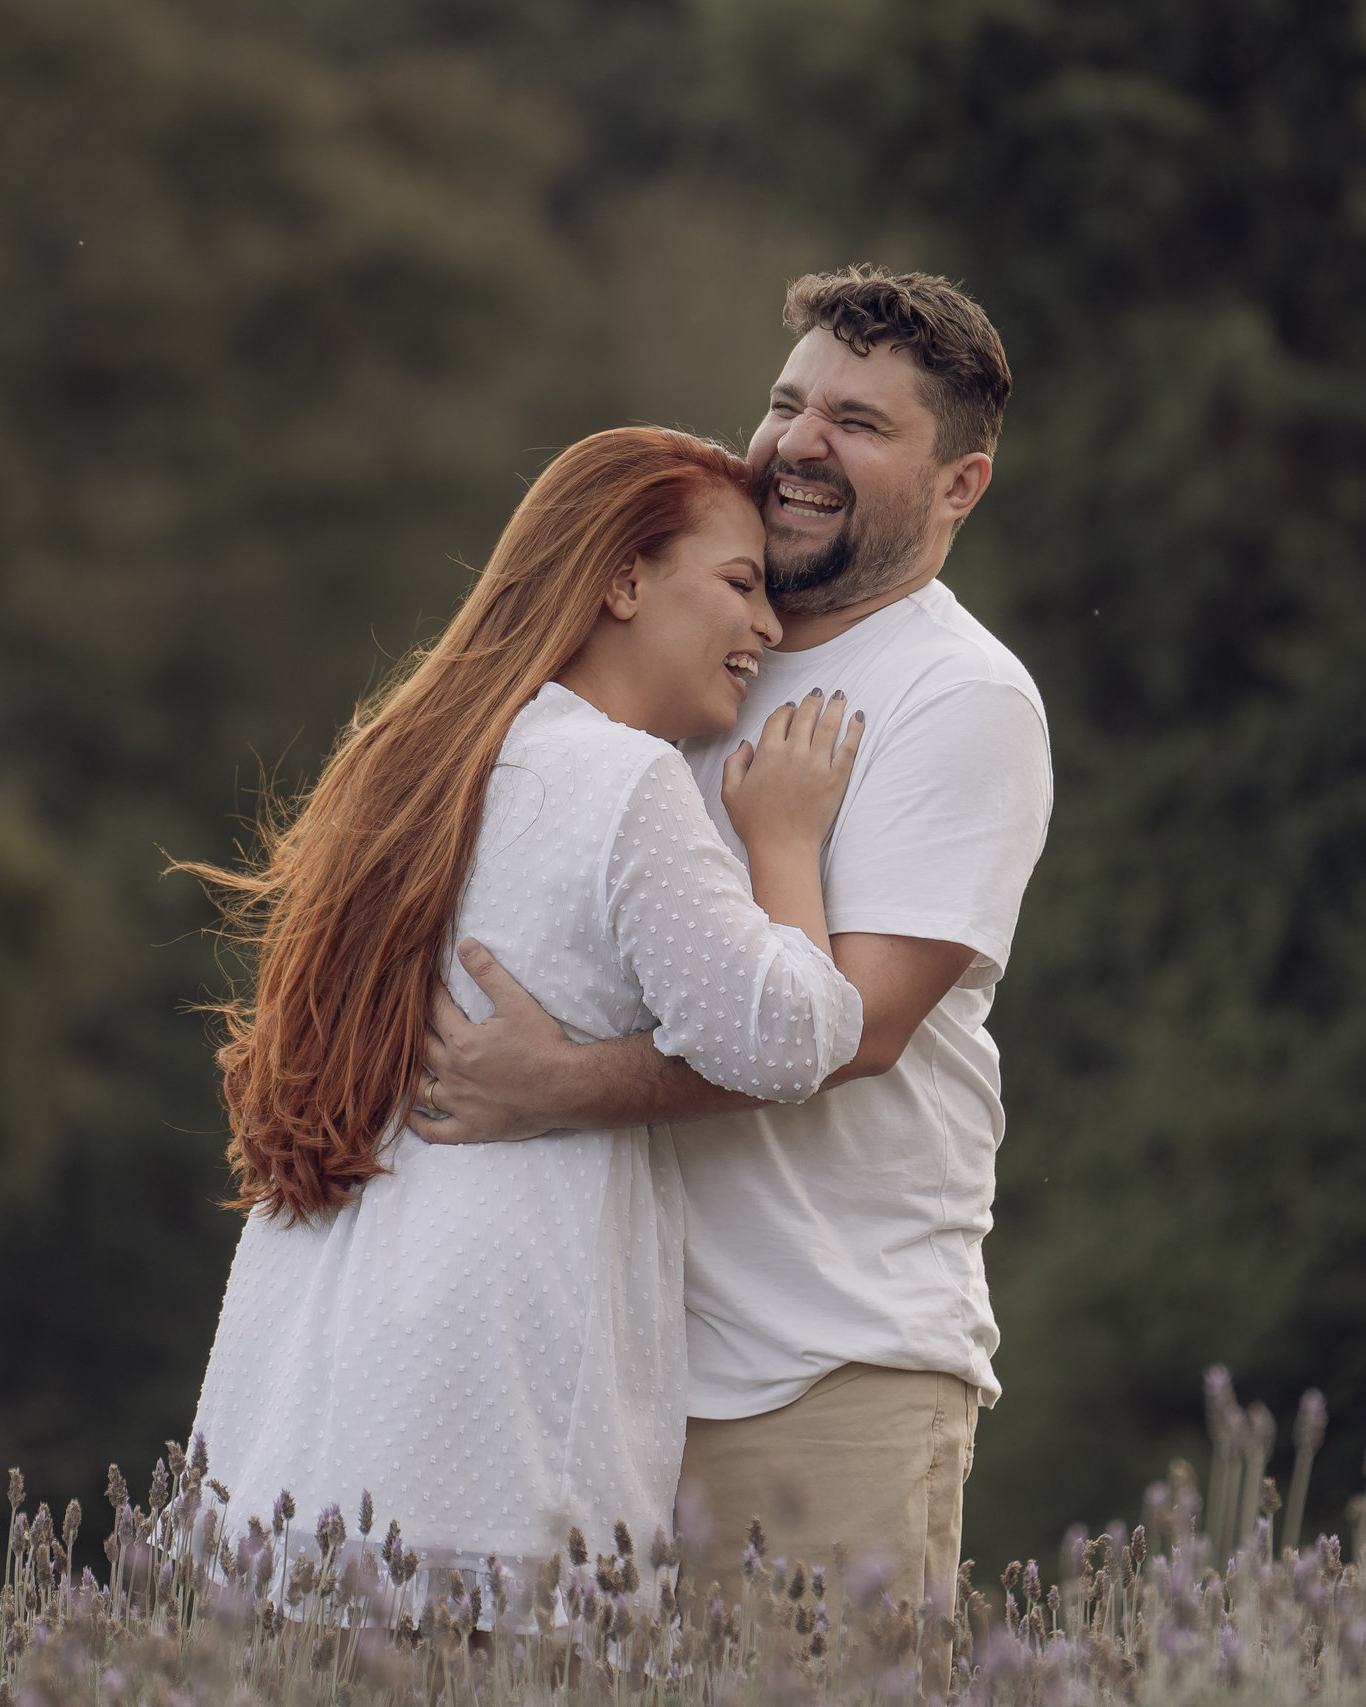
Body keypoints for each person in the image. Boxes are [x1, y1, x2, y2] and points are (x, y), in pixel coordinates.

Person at [418, 268, 1051, 1625]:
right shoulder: (685, 642)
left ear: (960, 484)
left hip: (816, 1362)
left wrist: (553, 1086)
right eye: (788, 402)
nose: (800, 443)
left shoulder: (959, 697)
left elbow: (855, 1028)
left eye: (859, 423)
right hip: (598, 1359)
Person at [183, 427, 869, 1605]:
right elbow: (785, 1038)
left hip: (312, 1376)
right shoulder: (621, 778)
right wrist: (785, 842)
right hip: (488, 1381)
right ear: (622, 580)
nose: (768, 625)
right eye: (740, 583)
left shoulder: (416, 764)